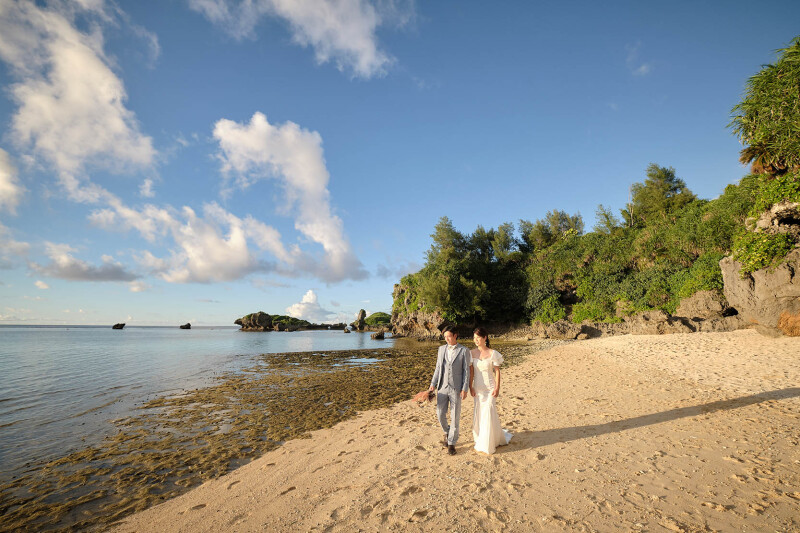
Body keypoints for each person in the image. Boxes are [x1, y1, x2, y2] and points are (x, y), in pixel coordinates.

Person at [428, 325, 471, 455]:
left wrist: (465, 388)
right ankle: (447, 432)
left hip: (456, 388)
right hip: (442, 387)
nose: (447, 339)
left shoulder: (464, 350)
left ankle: (452, 443)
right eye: (445, 336)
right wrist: (433, 384)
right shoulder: (441, 349)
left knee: (455, 416)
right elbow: (437, 368)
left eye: (449, 336)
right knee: (440, 413)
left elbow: (466, 371)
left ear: (455, 335)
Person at [469, 327, 512, 454]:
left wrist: (497, 388)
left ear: (485, 338)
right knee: (480, 413)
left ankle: (488, 443)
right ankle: (483, 436)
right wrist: (470, 386)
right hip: (477, 388)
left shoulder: (493, 353)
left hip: (490, 388)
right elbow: (471, 372)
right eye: (474, 338)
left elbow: (497, 372)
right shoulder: (471, 353)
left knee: (488, 411)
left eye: (478, 338)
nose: (476, 340)